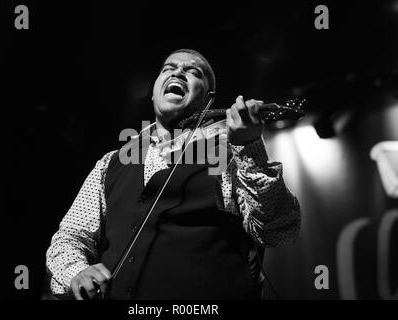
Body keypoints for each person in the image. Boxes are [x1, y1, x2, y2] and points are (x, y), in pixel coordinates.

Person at [46, 48, 301, 300]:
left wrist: (249, 147)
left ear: (208, 98)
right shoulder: (110, 162)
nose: (178, 72)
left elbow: (278, 229)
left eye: (193, 71)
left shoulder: (230, 155)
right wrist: (76, 272)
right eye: (168, 69)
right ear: (154, 93)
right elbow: (70, 237)